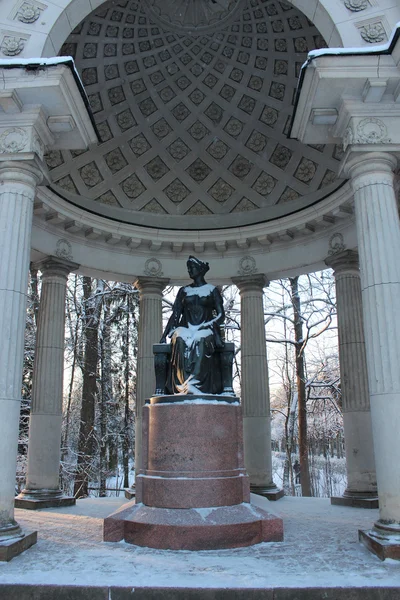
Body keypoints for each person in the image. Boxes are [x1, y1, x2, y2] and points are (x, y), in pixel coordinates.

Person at [160, 256, 225, 395]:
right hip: (186, 327)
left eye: (192, 268)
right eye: (188, 268)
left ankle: (194, 384)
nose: (190, 270)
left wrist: (208, 324)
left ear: (201, 270)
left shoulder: (211, 290)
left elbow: (221, 315)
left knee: (200, 340)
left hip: (206, 328)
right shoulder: (184, 291)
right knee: (179, 339)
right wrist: (165, 335)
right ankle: (182, 386)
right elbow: (176, 315)